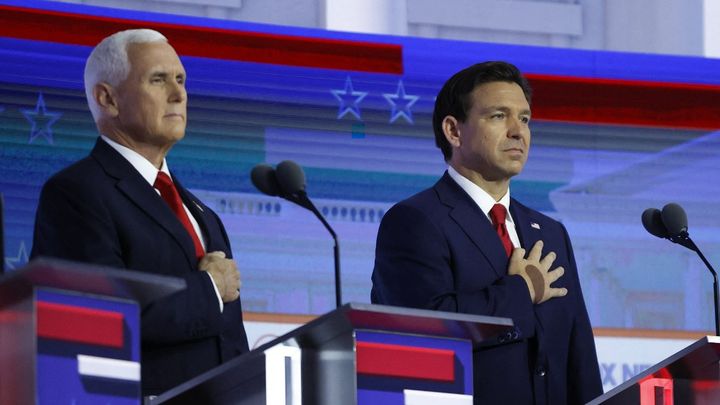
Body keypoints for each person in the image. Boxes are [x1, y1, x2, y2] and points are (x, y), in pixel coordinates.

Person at [31, 29, 249, 395]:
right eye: (158, 80)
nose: (179, 94)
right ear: (108, 98)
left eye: (180, 80)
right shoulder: (77, 193)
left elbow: (228, 339)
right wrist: (210, 288)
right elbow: (101, 320)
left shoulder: (203, 214)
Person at [371, 61, 602, 404]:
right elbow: (423, 333)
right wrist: (520, 291)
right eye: (498, 116)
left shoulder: (551, 234)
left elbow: (577, 355)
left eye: (524, 119)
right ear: (454, 131)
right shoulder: (415, 221)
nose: (518, 132)